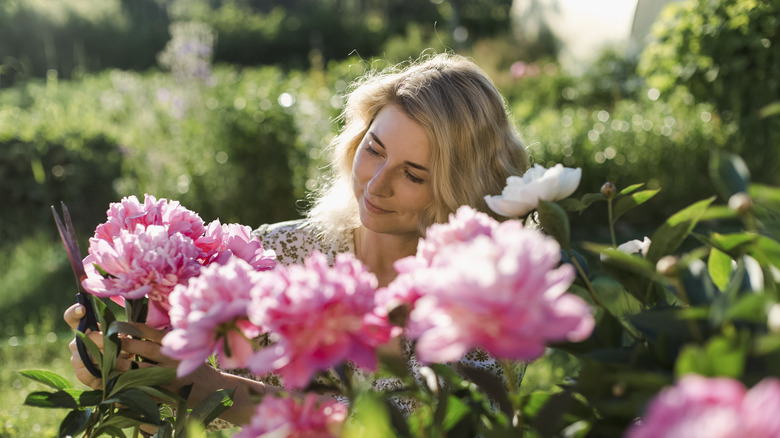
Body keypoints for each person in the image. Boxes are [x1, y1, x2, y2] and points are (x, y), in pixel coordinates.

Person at [63, 52, 530, 428]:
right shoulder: (277, 253)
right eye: (374, 149)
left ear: (460, 189)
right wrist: (128, 369)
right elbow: (173, 406)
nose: (375, 184)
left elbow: (424, 427)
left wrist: (216, 392)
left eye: (412, 174)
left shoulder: (482, 308)